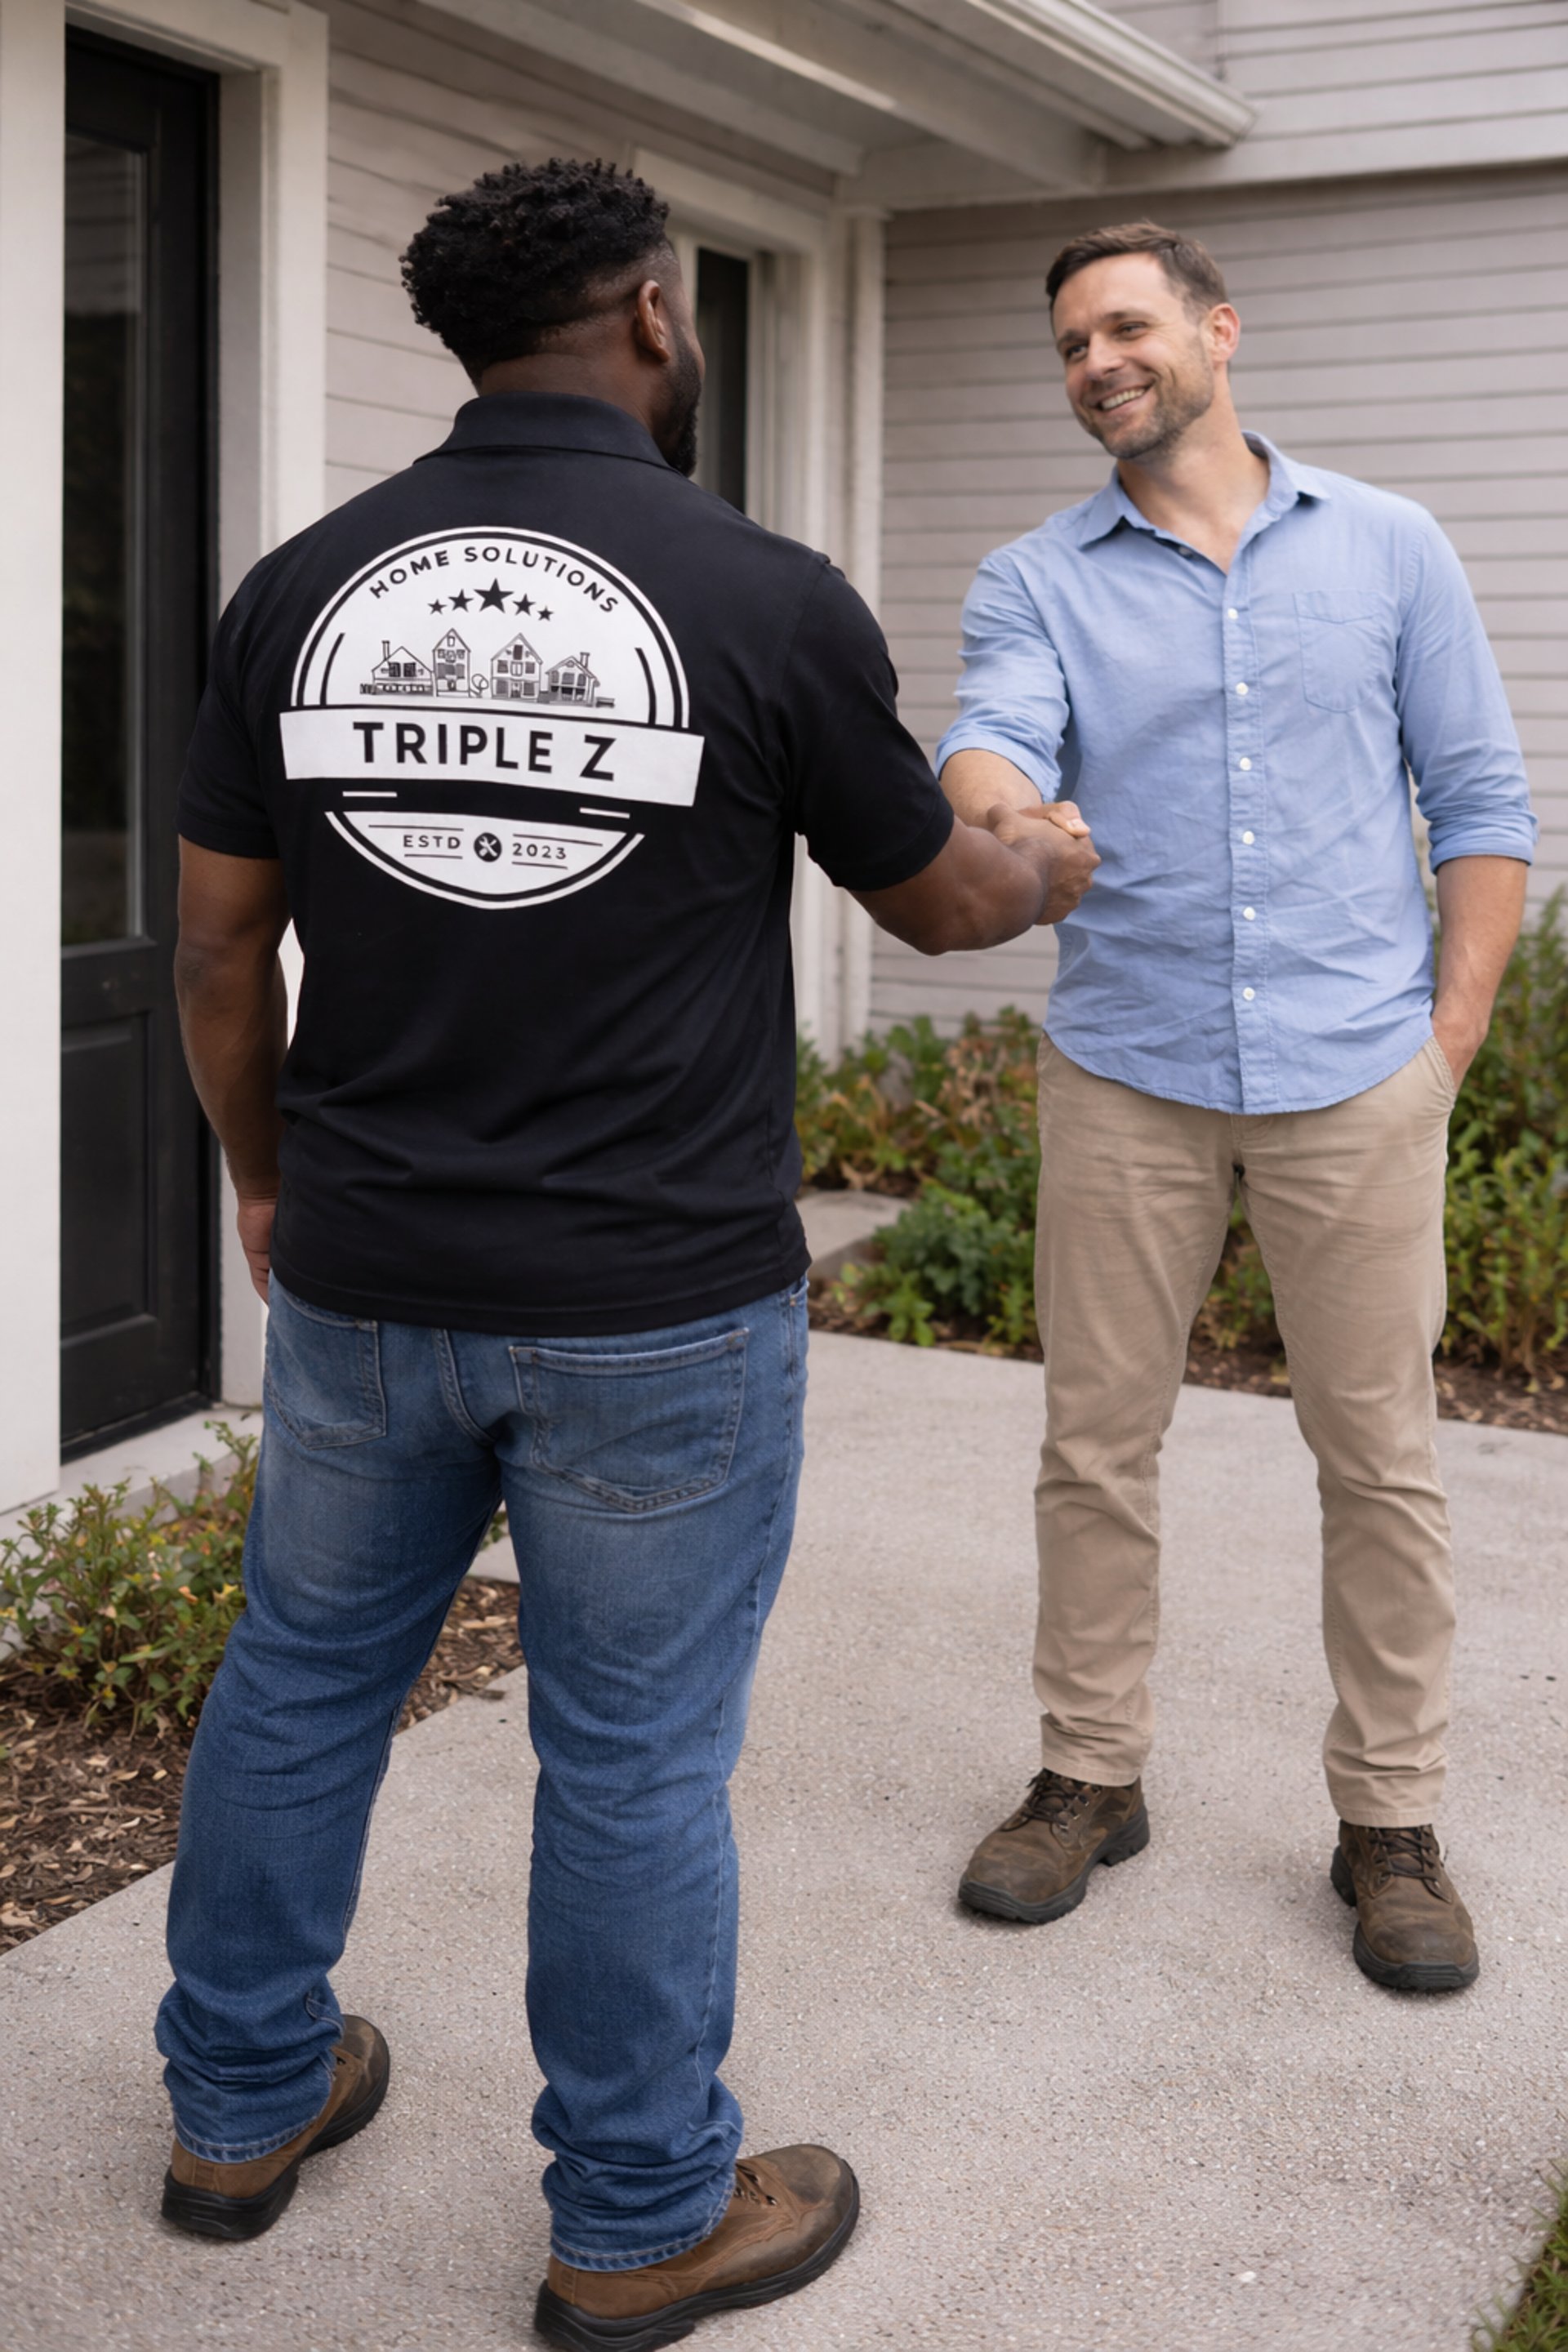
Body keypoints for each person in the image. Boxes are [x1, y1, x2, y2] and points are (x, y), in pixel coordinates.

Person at [158, 158, 1098, 2347]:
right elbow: (942, 902)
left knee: (297, 1684)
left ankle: (235, 2109)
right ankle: (642, 2214)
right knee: (634, 1759)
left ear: (471, 343)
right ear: (657, 318)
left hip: (369, 1278)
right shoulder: (759, 593)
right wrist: (1045, 851)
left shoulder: (299, 589)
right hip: (657, 1307)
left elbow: (219, 944)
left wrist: (267, 1178)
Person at [938, 220, 1535, 1994]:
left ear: (1216, 330)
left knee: (1383, 1464)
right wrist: (1006, 815)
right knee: (1095, 1450)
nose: (1097, 362)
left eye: (1124, 326)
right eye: (1069, 345)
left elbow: (1484, 798)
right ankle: (1089, 1776)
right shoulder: (1036, 577)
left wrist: (1447, 1042)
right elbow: (989, 743)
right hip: (1129, 1072)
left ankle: (1390, 1820)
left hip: (1360, 1074)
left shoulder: (1391, 549)